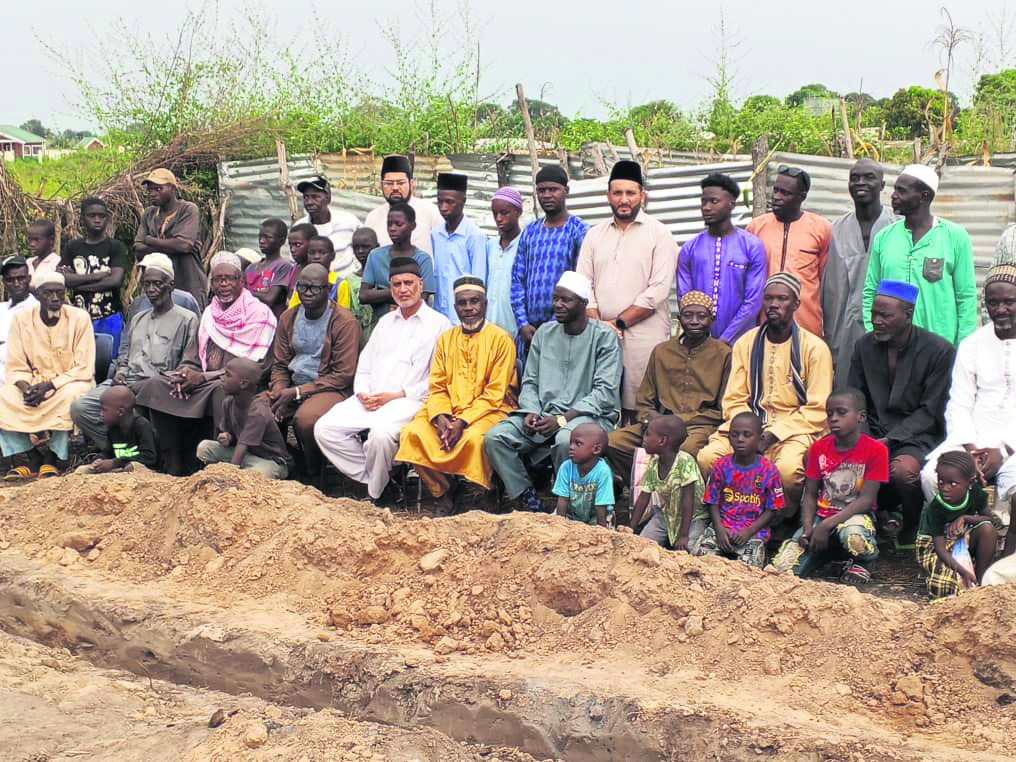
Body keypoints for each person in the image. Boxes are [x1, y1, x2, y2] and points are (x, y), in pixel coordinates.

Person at [483, 271, 622, 513]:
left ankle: (571, 506)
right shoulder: (544, 334)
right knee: (495, 437)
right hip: (544, 414)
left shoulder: (605, 337)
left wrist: (562, 419)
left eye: (565, 300)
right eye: (555, 298)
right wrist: (531, 412)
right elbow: (530, 382)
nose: (558, 305)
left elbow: (604, 393)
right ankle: (527, 498)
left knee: (567, 440)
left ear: (583, 303)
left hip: (588, 417)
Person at [314, 257, 450, 501]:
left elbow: (437, 379)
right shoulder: (385, 322)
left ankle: (377, 494)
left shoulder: (439, 325)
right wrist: (362, 393)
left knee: (379, 436)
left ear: (421, 284)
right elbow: (364, 367)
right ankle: (381, 480)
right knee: (324, 429)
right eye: (397, 284)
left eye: (408, 283)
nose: (403, 289)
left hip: (408, 401)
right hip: (370, 398)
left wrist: (396, 395)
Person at [697, 273, 832, 514]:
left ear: (796, 304)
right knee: (708, 457)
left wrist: (773, 434)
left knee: (788, 471)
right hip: (747, 425)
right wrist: (749, 432)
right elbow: (734, 399)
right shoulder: (746, 343)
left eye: (782, 299)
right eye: (769, 298)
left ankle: (782, 518)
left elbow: (818, 409)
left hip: (794, 430)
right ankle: (732, 514)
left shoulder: (815, 348)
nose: (774, 304)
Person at [135, 251, 277, 476]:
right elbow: (192, 355)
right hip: (202, 380)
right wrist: (186, 373)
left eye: (229, 279)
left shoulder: (259, 314)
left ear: (241, 281)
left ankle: (213, 465)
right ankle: (172, 461)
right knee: (156, 385)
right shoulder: (210, 314)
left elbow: (254, 367)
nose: (223, 284)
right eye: (218, 279)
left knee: (224, 391)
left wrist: (203, 377)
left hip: (236, 383)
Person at [396, 275, 516, 514]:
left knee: (476, 439)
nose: (469, 308)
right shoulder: (446, 340)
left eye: (474, 301)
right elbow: (438, 386)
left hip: (491, 411)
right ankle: (443, 491)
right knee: (412, 433)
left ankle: (483, 491)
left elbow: (495, 393)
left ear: (485, 304)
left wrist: (462, 421)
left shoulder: (501, 339)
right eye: (462, 303)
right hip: (448, 410)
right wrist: (441, 416)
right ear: (455, 307)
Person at [847, 280, 955, 541]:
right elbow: (855, 398)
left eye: (885, 315)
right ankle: (871, 519)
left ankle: (911, 525)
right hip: (871, 431)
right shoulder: (863, 346)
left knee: (904, 472)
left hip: (917, 436)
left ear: (907, 315)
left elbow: (931, 410)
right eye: (874, 314)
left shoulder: (939, 351)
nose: (877, 321)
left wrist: (890, 440)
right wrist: (865, 437)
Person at [920, 264, 1016, 557]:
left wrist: (1004, 449)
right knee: (931, 475)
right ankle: (959, 540)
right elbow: (959, 402)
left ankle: (1006, 549)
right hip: (972, 436)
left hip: (1012, 443)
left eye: (1009, 302)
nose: (1000, 309)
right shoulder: (972, 344)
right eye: (993, 302)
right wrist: (971, 449)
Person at [578, 159, 678, 420]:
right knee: (602, 402)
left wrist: (618, 323)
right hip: (599, 333)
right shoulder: (594, 235)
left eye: (630, 193)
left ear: (642, 196)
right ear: (608, 196)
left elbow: (658, 290)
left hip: (644, 335)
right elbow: (584, 284)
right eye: (618, 193)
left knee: (640, 406)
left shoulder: (660, 234)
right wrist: (601, 326)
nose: (624, 200)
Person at [71, 255, 199, 452]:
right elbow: (124, 351)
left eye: (157, 284)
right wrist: (121, 371)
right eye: (147, 284)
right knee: (81, 409)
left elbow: (188, 362)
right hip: (127, 381)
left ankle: (140, 453)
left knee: (127, 412)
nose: (151, 289)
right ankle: (122, 451)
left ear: (171, 286)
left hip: (157, 386)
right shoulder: (138, 317)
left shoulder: (188, 320)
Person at [606, 290, 731, 482]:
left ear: (712, 320)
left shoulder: (724, 354)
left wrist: (680, 421)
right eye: (688, 315)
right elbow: (645, 398)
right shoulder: (662, 351)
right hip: (659, 423)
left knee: (686, 450)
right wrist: (649, 418)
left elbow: (723, 408)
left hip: (698, 426)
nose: (694, 321)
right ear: (679, 319)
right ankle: (642, 486)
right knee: (612, 442)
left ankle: (681, 496)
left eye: (701, 316)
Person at [862, 164, 977, 346]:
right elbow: (871, 290)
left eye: (901, 191)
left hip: (939, 347)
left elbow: (966, 297)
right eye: (895, 189)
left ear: (924, 196)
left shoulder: (955, 237)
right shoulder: (884, 237)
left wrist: (963, 347)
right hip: (891, 346)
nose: (893, 195)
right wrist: (872, 333)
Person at [268, 264, 360, 481]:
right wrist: (279, 390)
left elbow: (343, 375)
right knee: (260, 409)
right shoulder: (288, 318)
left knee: (306, 419)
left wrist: (297, 392)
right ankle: (289, 462)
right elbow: (280, 364)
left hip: (331, 388)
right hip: (293, 385)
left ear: (328, 289)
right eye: (302, 287)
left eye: (315, 288)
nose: (307, 293)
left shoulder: (344, 322)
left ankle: (314, 471)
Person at [785, 389, 888, 583]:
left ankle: (865, 561)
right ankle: (829, 554)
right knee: (785, 568)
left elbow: (866, 500)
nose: (833, 418)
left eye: (841, 412)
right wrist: (808, 528)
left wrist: (825, 526)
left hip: (855, 516)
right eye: (830, 413)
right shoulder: (818, 448)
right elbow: (810, 493)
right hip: (822, 515)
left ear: (861, 416)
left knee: (854, 537)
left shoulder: (876, 450)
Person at [0, 272, 94, 480]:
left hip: (71, 381)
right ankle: (31, 457)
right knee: (3, 396)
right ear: (38, 295)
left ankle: (52, 457)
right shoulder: (22, 319)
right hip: (33, 382)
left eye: (59, 293)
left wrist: (51, 385)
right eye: (48, 293)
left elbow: (84, 367)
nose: (54, 298)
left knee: (70, 396)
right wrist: (26, 389)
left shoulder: (80, 318)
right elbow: (16, 365)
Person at [822, 159, 897, 377]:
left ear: (882, 185)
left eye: (869, 177)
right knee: (847, 384)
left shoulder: (897, 227)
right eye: (854, 178)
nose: (860, 182)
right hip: (843, 329)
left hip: (889, 326)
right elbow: (830, 290)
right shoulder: (835, 229)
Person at [677, 173, 766, 344]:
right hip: (699, 343)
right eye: (703, 202)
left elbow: (753, 301)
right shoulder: (690, 248)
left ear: (732, 204)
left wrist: (725, 340)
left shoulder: (751, 246)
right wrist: (705, 341)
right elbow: (685, 298)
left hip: (742, 342)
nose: (706, 207)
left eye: (714, 201)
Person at [511, 165, 589, 356]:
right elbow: (517, 280)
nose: (546, 195)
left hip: (565, 330)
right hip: (528, 333)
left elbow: (582, 282)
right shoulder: (530, 231)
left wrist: (553, 325)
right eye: (541, 190)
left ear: (566, 191)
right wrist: (523, 323)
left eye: (553, 189)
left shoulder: (579, 230)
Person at [746, 165, 831, 337]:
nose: (777, 197)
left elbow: (827, 280)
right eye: (776, 190)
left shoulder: (821, 228)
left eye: (785, 193)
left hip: (807, 324)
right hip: (765, 324)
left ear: (802, 196)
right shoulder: (756, 227)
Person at [693, 412, 783, 567]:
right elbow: (712, 502)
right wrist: (719, 530)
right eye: (735, 435)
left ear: (760, 438)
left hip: (753, 532)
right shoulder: (721, 466)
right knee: (700, 560)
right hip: (722, 528)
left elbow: (772, 509)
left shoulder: (769, 470)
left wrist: (748, 532)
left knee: (749, 568)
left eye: (747, 435)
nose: (740, 439)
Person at [916, 450, 999, 598]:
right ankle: (968, 576)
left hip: (961, 537)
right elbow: (940, 550)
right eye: (941, 482)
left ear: (970, 483)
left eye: (952, 484)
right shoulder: (935, 509)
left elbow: (989, 519)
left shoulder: (975, 493)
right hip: (934, 547)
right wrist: (962, 571)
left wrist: (966, 518)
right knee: (944, 587)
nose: (945, 488)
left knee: (988, 529)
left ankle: (981, 581)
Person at [196, 358, 292, 479]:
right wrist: (228, 437)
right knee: (205, 447)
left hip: (271, 461)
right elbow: (232, 436)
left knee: (254, 474)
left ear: (243, 384)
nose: (222, 378)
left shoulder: (258, 411)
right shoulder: (228, 403)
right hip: (247, 455)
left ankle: (239, 475)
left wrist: (229, 476)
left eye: (227, 375)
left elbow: (242, 445)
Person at [59, 197, 128, 353]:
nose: (97, 220)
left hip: (109, 317)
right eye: (92, 216)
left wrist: (78, 284)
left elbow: (115, 281)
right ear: (82, 219)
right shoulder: (73, 247)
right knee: (80, 359)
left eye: (101, 216)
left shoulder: (115, 247)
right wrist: (97, 276)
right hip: (79, 316)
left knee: (110, 359)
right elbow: (63, 279)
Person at [628, 415, 706, 550]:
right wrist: (630, 528)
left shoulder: (685, 462)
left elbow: (688, 500)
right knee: (643, 544)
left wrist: (683, 535)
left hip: (693, 517)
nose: (643, 439)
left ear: (662, 441)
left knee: (689, 549)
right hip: (667, 515)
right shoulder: (653, 465)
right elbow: (643, 498)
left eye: (648, 434)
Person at [133, 168, 206, 308]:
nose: (152, 193)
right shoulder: (149, 214)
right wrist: (175, 245)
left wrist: (151, 240)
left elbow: (184, 246)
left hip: (187, 282)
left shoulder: (188, 209)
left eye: (158, 189)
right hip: (157, 287)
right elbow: (139, 249)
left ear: (172, 188)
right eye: (150, 190)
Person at [361, 203, 436, 324]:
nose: (392, 228)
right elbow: (364, 295)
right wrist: (395, 292)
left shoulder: (423, 259)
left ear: (413, 226)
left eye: (398, 224)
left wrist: (380, 293)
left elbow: (422, 299)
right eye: (389, 224)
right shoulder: (375, 256)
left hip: (413, 323)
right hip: (381, 323)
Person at [431, 172, 486, 324]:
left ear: (463, 201)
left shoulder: (475, 236)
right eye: (440, 201)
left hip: (463, 318)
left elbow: (478, 282)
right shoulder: (436, 233)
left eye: (449, 202)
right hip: (439, 315)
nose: (443, 207)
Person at [363, 155, 443, 254]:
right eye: (389, 183)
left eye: (401, 183)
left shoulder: (431, 213)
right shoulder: (373, 217)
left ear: (411, 183)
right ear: (381, 185)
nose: (395, 188)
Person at [75, 386, 158, 474]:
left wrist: (114, 463)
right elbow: (108, 452)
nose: (101, 414)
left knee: (131, 467)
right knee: (82, 470)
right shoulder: (113, 428)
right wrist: (100, 459)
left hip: (142, 470)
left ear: (120, 412)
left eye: (104, 410)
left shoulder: (142, 426)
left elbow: (149, 457)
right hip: (118, 468)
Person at [294, 176, 361, 277]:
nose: (309, 202)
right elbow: (295, 262)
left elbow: (365, 246)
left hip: (347, 282)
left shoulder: (348, 221)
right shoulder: (300, 228)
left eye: (315, 197)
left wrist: (356, 275)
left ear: (328, 198)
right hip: (314, 283)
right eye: (306, 197)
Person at [553, 423, 614, 528]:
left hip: (596, 516)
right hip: (572, 513)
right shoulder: (566, 467)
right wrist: (560, 524)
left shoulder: (603, 472)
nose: (571, 447)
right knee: (553, 523)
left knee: (601, 532)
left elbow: (601, 505)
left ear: (596, 449)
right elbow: (563, 499)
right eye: (571, 442)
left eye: (578, 444)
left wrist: (601, 530)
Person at [485, 187, 524, 339]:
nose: (499, 218)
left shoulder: (525, 245)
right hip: (488, 328)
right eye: (495, 213)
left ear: (518, 212)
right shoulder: (490, 245)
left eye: (504, 213)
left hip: (514, 328)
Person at [125, 254, 203, 322]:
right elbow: (129, 332)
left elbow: (196, 329)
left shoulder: (186, 300)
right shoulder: (138, 303)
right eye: (143, 270)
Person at [245, 218, 294, 318]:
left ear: (281, 240)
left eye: (268, 237)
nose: (262, 241)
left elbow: (269, 298)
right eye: (260, 236)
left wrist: (244, 292)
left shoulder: (283, 266)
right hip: (249, 320)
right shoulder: (251, 268)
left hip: (272, 321)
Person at [0, 256, 38, 379]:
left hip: (19, 375)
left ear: (29, 279)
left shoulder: (37, 311)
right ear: (4, 283)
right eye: (10, 280)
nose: (16, 284)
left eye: (21, 278)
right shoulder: (2, 308)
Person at [344, 227, 378, 346]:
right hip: (359, 338)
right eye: (356, 247)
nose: (360, 251)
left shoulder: (385, 277)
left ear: (377, 247)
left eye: (365, 247)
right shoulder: (349, 280)